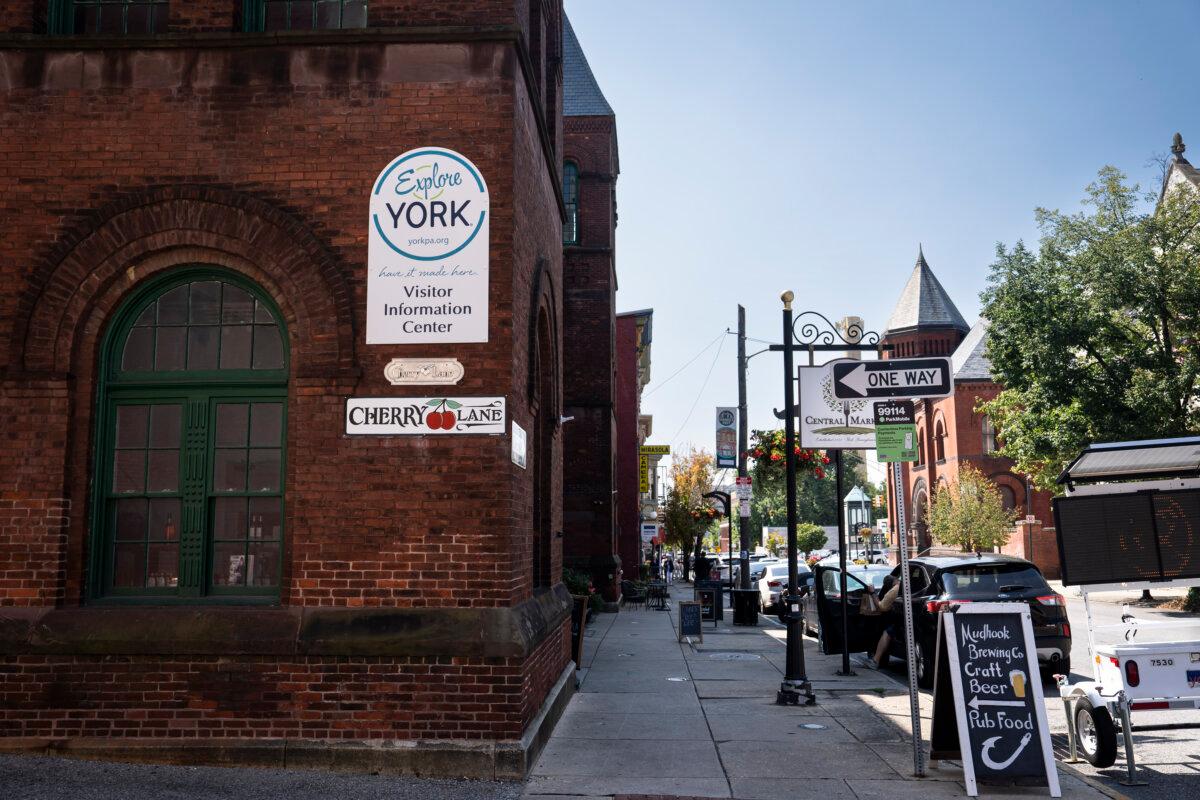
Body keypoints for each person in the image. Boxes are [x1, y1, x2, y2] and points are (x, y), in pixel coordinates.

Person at [865, 578, 903, 668]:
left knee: (888, 631)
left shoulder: (895, 589)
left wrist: (873, 593)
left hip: (901, 621)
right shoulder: (904, 586)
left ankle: (876, 660)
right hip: (908, 618)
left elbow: (882, 607)